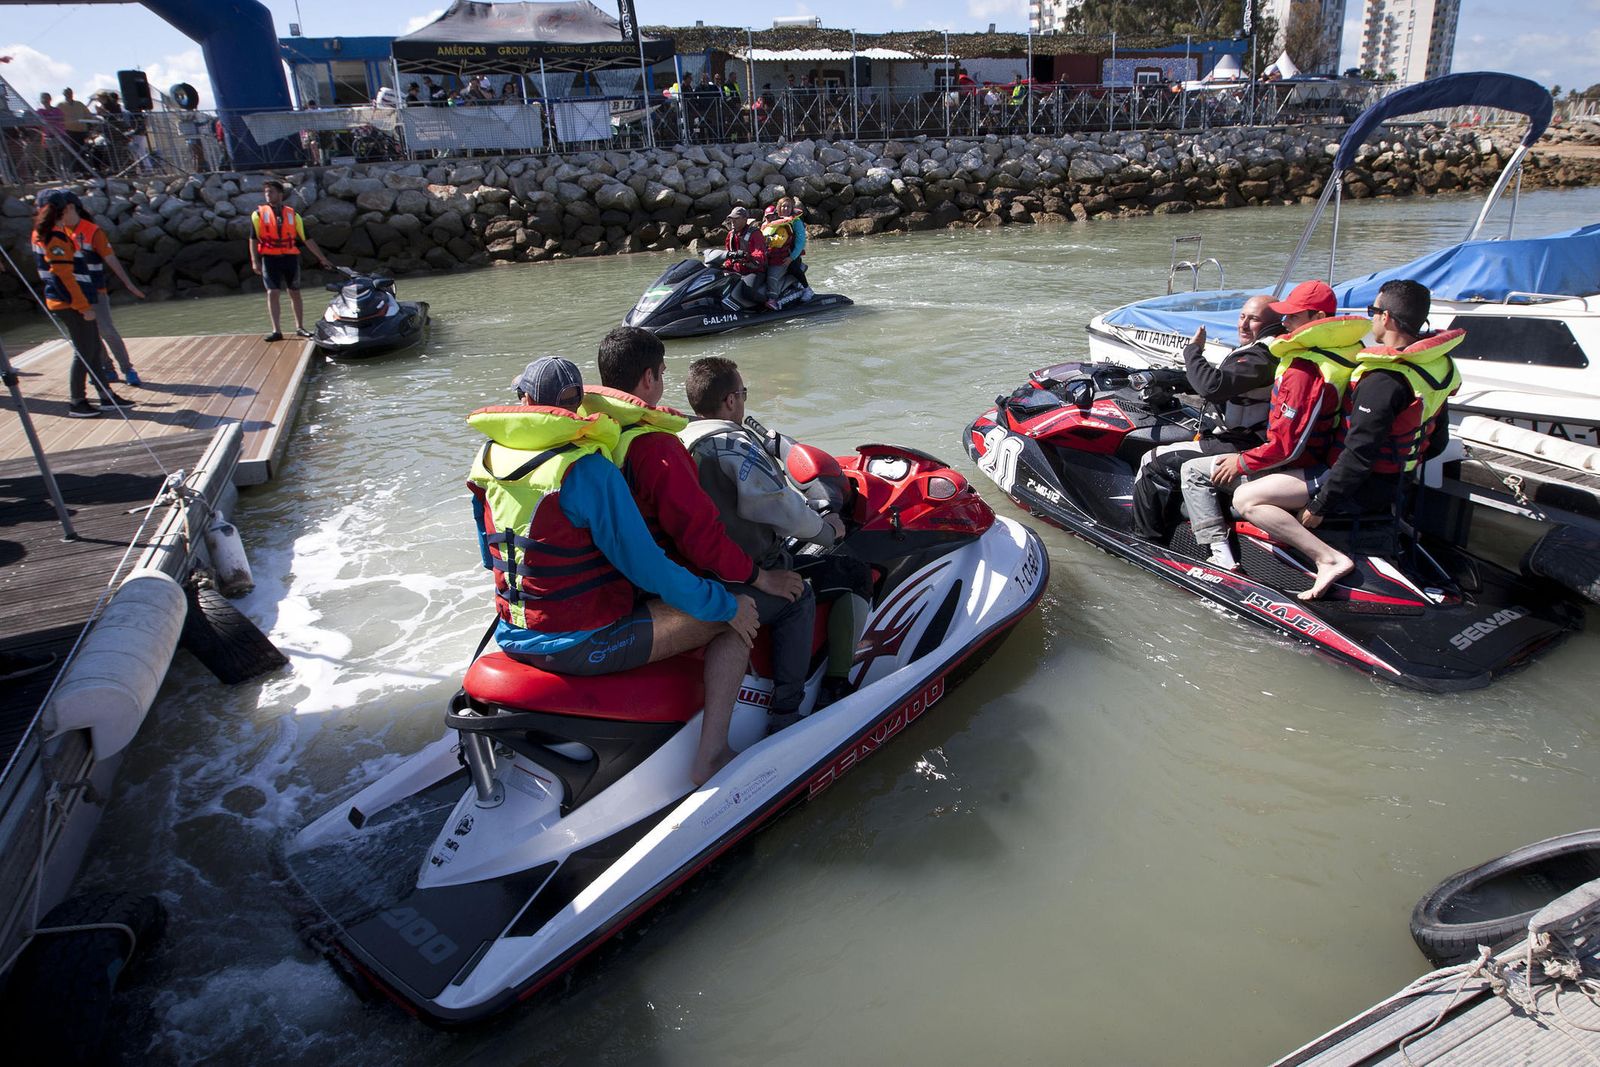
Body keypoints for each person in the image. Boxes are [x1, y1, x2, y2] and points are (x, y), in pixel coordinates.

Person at [469, 357, 760, 785]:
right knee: (736, 616)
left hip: (511, 635)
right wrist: (725, 604)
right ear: (577, 407)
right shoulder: (588, 469)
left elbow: (487, 555)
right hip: (582, 643)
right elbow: (649, 571)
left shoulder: (488, 461)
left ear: (526, 401)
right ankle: (711, 755)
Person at [583, 327, 812, 730]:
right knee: (794, 596)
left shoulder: (593, 433)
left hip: (612, 584)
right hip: (662, 587)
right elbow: (700, 538)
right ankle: (788, 716)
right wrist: (760, 578)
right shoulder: (655, 445)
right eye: (663, 373)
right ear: (650, 378)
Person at [1234, 280, 1463, 600]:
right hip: (1397, 480)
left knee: (1247, 498)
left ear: (1388, 318)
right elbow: (1436, 442)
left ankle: (1327, 559)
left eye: (1373, 311)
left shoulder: (1384, 379)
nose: (1371, 319)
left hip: (1360, 485)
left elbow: (1357, 455)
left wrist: (1320, 504)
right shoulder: (1434, 365)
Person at [681, 357, 873, 716]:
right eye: (743, 393)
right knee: (839, 579)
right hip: (743, 572)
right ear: (730, 401)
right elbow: (781, 508)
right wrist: (827, 529)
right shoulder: (731, 445)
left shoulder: (677, 438)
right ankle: (806, 700)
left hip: (696, 569)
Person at [1183, 280, 1366, 573]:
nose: (1285, 322)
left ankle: (1222, 557)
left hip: (1298, 466)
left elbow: (1286, 446)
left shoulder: (1305, 368)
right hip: (1327, 460)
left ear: (1318, 319)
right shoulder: (1348, 350)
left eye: (1293, 316)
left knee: (1194, 472)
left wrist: (1242, 462)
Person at [1131, 295, 1283, 541]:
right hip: (1243, 437)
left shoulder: (1260, 357)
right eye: (1242, 316)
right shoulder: (1268, 350)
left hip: (1240, 444)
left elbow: (1212, 386)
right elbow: (1230, 385)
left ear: (1274, 323)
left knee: (1152, 461)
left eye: (1253, 319)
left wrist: (1193, 351)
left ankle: (1146, 541)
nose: (1243, 325)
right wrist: (1177, 381)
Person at [31, 190, 134, 418]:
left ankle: (106, 395)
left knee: (94, 349)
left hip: (72, 301)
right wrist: (83, 306)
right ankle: (77, 401)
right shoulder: (55, 237)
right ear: (65, 209)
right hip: (70, 304)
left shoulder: (44, 233)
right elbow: (63, 276)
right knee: (84, 352)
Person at [69, 199, 148, 385]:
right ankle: (108, 368)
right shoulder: (58, 233)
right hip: (74, 292)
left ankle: (128, 369)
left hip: (95, 289)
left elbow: (110, 258)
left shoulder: (92, 230)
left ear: (71, 208)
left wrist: (129, 284)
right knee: (91, 334)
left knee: (107, 330)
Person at [249, 180, 332, 342]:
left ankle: (300, 327)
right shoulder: (258, 214)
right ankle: (276, 331)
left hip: (289, 258)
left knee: (294, 292)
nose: (268, 194)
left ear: (280, 194)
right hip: (269, 259)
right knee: (272, 292)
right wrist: (254, 260)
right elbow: (252, 239)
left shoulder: (292, 215)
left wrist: (322, 259)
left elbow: (307, 239)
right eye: (266, 192)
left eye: (271, 191)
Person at [721, 206, 769, 306]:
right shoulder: (730, 235)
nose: (733, 222)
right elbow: (728, 254)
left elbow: (759, 253)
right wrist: (726, 267)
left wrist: (747, 256)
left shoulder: (755, 233)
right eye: (731, 219)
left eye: (736, 219)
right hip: (737, 270)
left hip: (754, 271)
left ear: (745, 219)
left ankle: (768, 302)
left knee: (748, 292)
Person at [759, 205, 795, 308]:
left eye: (773, 217)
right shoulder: (764, 229)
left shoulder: (782, 228)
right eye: (768, 217)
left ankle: (772, 299)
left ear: (777, 217)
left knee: (772, 276)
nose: (770, 219)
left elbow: (780, 241)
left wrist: (768, 240)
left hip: (780, 260)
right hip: (767, 259)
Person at [777, 196, 810, 295]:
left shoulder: (796, 222)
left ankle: (807, 289)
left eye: (788, 207)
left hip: (792, 254)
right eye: (783, 206)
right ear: (779, 208)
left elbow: (801, 242)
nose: (786, 209)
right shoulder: (774, 221)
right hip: (777, 254)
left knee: (793, 268)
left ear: (792, 209)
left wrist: (791, 258)